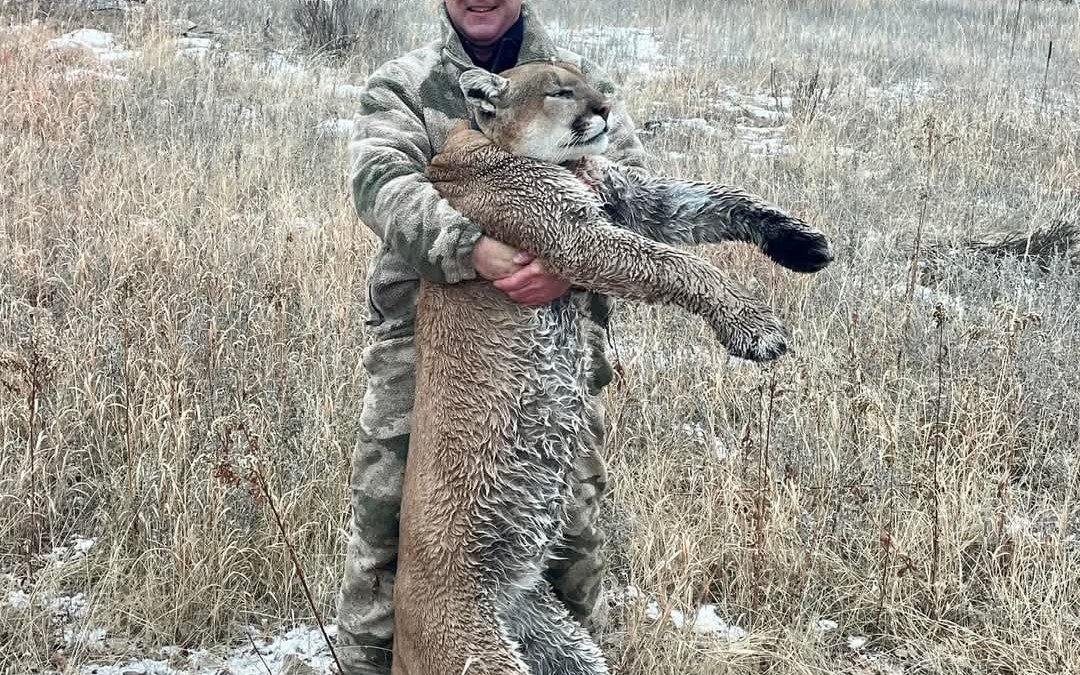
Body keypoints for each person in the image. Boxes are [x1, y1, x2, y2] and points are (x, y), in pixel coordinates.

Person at [337, 1, 646, 673]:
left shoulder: (582, 81)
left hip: (551, 365)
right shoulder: (408, 84)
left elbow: (632, 191)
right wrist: (471, 247)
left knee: (568, 542)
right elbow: (378, 181)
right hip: (425, 364)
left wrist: (565, 265)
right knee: (387, 543)